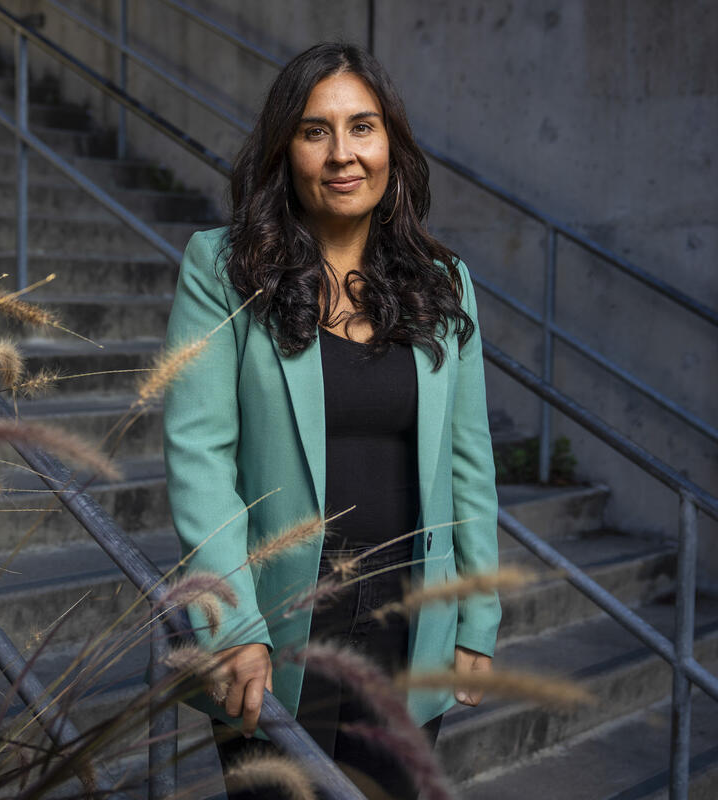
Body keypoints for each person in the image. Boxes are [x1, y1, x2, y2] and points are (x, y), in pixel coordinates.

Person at [161, 42, 501, 799]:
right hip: (278, 622)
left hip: (410, 628)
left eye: (363, 128)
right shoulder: (224, 271)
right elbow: (199, 453)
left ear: (392, 147)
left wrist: (477, 616)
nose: (342, 154)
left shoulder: (444, 285)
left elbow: (469, 460)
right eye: (316, 131)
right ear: (285, 148)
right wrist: (234, 626)